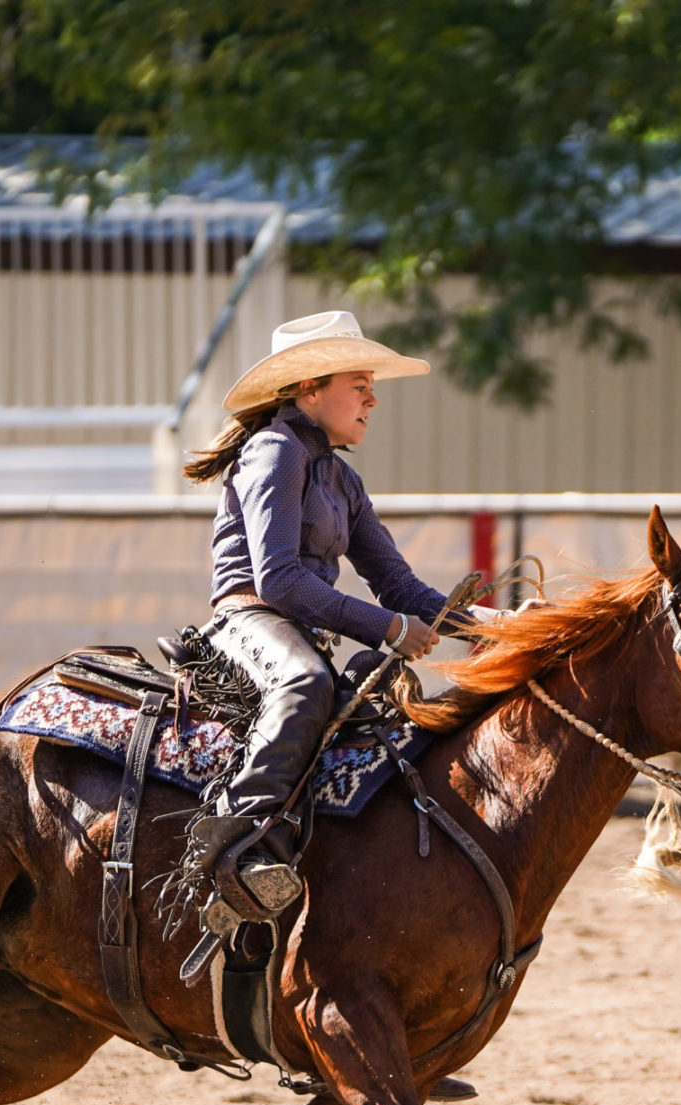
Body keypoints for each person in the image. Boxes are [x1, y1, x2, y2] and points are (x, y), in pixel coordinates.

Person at [183, 310, 477, 919]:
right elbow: (279, 582)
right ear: (310, 388)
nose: (373, 399)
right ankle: (234, 848)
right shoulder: (275, 450)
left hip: (295, 628)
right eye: (360, 384)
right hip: (249, 621)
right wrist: (389, 630)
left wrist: (500, 627)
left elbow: (398, 584)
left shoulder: (343, 479)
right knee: (307, 682)